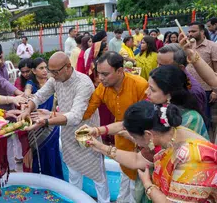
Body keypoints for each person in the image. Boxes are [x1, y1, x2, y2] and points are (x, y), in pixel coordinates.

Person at [80, 101, 217, 203]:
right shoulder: (170, 134)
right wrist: (98, 145)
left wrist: (148, 184)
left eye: (134, 137)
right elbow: (137, 160)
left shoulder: (190, 157)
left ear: (148, 135)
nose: (135, 142)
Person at [19, 52, 110, 203]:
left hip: (87, 133)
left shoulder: (83, 83)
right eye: (50, 71)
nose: (52, 76)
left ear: (68, 67)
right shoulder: (55, 79)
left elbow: (75, 116)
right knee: (73, 174)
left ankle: (104, 201)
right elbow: (40, 95)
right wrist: (28, 109)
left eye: (55, 72)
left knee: (98, 176)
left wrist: (48, 120)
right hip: (68, 134)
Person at [83, 51, 148, 203]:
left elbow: (147, 120)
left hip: (143, 140)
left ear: (120, 71)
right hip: (120, 137)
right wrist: (57, 115)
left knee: (139, 183)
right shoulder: (102, 88)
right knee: (125, 175)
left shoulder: (140, 85)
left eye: (105, 74)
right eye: (99, 74)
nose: (100, 78)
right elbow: (87, 111)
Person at [0, 43, 27, 171]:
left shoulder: (3, 66)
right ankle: (12, 166)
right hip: (1, 108)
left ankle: (20, 157)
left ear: (2, 53)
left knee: (18, 131)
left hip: (12, 103)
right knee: (7, 136)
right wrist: (20, 94)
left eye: (0, 57)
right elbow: (5, 84)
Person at [23, 57, 62, 179]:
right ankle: (42, 182)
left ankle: (56, 180)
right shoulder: (31, 84)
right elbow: (27, 93)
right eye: (41, 68)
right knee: (39, 155)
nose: (45, 70)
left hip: (51, 122)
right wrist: (28, 98)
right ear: (34, 71)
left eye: (46, 68)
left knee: (53, 152)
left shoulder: (52, 82)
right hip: (36, 124)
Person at [185, 22, 217, 136]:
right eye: (189, 31)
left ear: (202, 32)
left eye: (193, 31)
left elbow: (215, 70)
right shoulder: (187, 46)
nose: (190, 34)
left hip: (206, 89)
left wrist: (214, 91)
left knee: (205, 118)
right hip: (189, 88)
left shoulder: (212, 46)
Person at [158, 43, 206, 113]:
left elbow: (195, 121)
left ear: (180, 68)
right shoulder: (164, 78)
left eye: (163, 66)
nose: (157, 69)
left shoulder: (193, 91)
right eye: (158, 64)